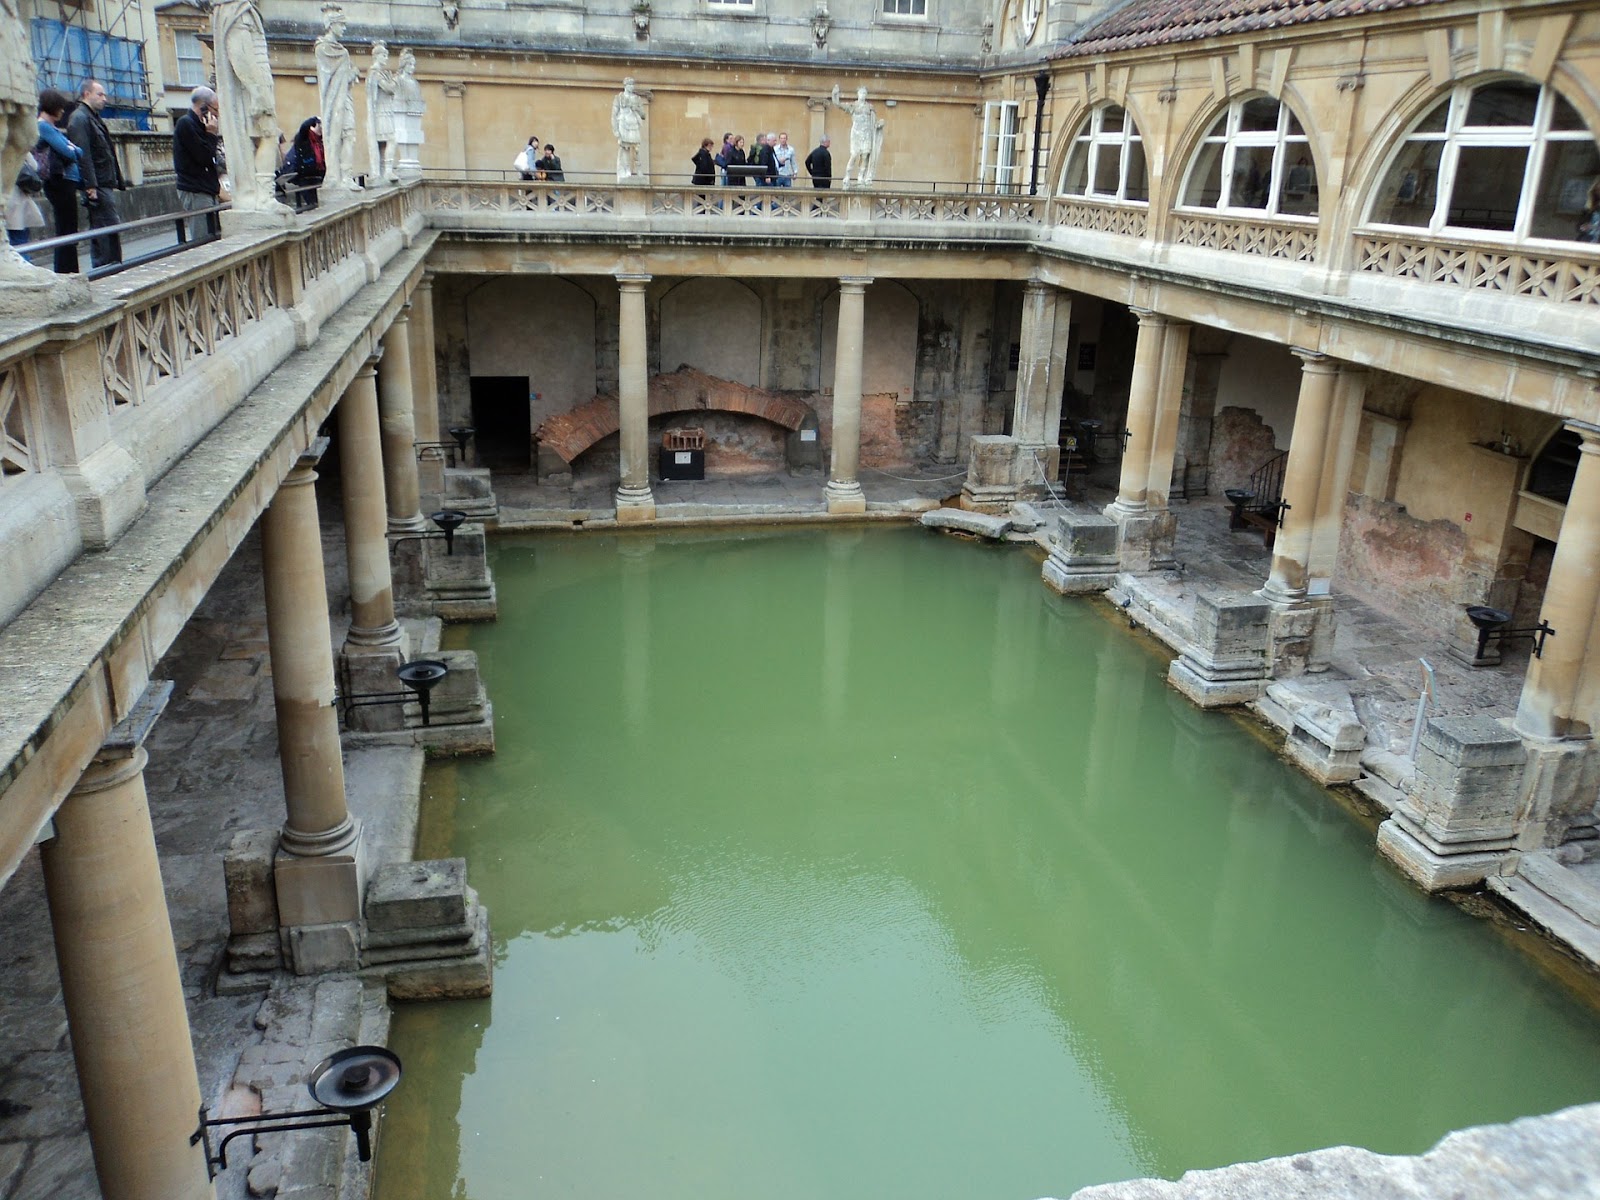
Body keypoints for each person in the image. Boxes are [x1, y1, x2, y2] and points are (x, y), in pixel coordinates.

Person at [68, 78, 126, 267]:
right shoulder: (80, 118)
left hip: (103, 181)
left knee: (109, 226)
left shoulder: (91, 117)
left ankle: (113, 264)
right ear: (87, 94)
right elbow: (83, 154)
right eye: (100, 94)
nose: (104, 99)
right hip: (98, 184)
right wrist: (90, 185)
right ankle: (107, 267)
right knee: (103, 227)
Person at [36, 89, 84, 273]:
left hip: (65, 181)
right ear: (52, 107)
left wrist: (73, 149)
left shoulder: (51, 128)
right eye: (61, 108)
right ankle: (66, 272)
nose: (63, 112)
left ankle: (69, 270)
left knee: (69, 228)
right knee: (66, 229)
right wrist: (72, 149)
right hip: (59, 182)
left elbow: (75, 150)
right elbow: (70, 151)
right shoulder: (44, 127)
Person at [172, 85, 222, 242]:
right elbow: (203, 156)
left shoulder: (201, 126)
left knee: (214, 235)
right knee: (203, 239)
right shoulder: (185, 124)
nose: (217, 115)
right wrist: (212, 134)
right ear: (204, 107)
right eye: (215, 110)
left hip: (207, 188)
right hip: (195, 189)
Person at [829, 84, 885, 188]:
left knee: (864, 156)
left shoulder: (870, 107)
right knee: (854, 154)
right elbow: (838, 104)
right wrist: (835, 94)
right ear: (858, 94)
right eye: (861, 93)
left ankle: (861, 177)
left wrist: (879, 124)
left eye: (864, 93)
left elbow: (874, 122)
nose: (862, 95)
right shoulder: (853, 106)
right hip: (856, 133)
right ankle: (847, 176)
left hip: (867, 133)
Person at [285, 115, 325, 211]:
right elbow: (304, 127)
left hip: (319, 176)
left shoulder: (320, 141)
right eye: (318, 127)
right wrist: (315, 119)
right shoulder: (303, 139)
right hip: (305, 177)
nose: (320, 130)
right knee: (312, 205)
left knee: (320, 204)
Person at [612, 77, 647, 180]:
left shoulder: (637, 99)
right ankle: (626, 170)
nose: (631, 86)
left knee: (636, 149)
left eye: (632, 84)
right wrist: (616, 130)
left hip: (634, 123)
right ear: (625, 86)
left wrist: (636, 109)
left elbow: (643, 115)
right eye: (629, 84)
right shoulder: (619, 98)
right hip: (623, 123)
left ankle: (639, 170)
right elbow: (614, 115)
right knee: (625, 148)